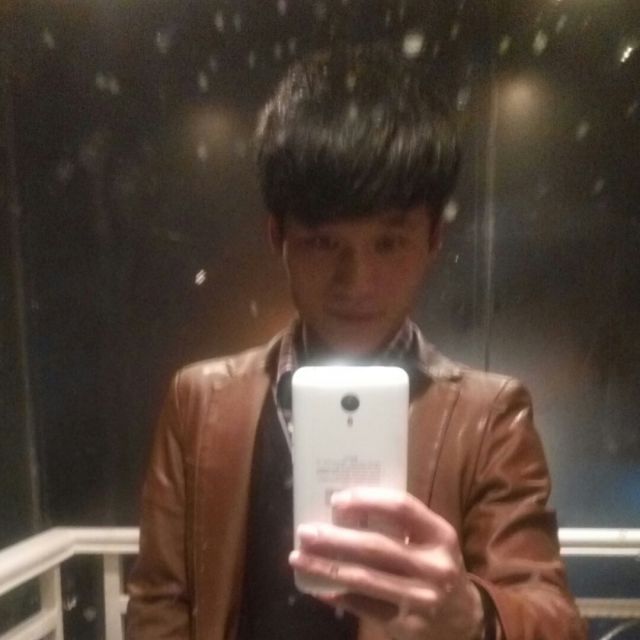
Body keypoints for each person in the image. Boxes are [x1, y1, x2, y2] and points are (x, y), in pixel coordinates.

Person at [126, 44, 586, 640]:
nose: (356, 281)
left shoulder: (491, 418)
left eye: (389, 243)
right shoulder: (200, 402)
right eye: (323, 242)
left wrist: (475, 615)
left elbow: (555, 619)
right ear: (278, 236)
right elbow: (159, 604)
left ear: (434, 239)